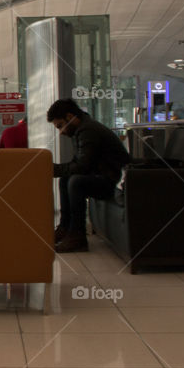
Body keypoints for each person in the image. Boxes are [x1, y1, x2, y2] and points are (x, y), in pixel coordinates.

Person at [46, 98, 130, 252]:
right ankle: (66, 228)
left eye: (60, 126)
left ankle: (77, 235)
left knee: (76, 182)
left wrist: (52, 169)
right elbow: (79, 164)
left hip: (113, 181)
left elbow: (82, 166)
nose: (61, 132)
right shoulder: (81, 130)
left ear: (69, 117)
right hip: (106, 177)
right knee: (67, 179)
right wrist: (58, 170)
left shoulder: (88, 131)